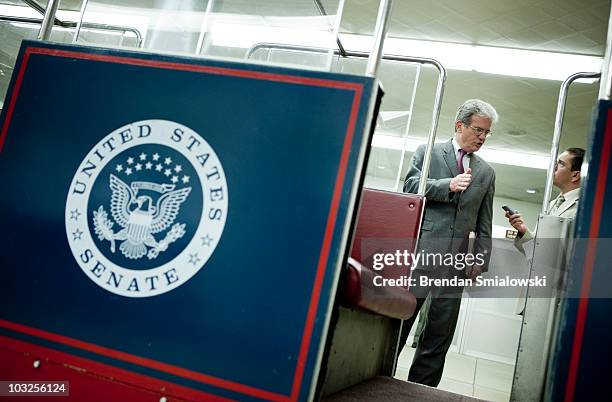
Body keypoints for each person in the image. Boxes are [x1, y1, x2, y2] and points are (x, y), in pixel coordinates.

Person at [399, 99, 497, 387]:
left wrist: (481, 259)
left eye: (486, 133)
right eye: (478, 130)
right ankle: (377, 380)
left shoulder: (486, 173)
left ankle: (421, 391)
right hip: (421, 256)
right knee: (399, 325)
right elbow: (409, 188)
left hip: (455, 265)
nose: (482, 137)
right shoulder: (427, 152)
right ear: (459, 126)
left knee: (439, 335)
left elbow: (484, 222)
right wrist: (446, 185)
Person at [506, 147, 584, 249]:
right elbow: (536, 249)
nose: (554, 167)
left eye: (561, 164)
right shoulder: (551, 204)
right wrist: (522, 229)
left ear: (575, 175)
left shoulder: (583, 210)